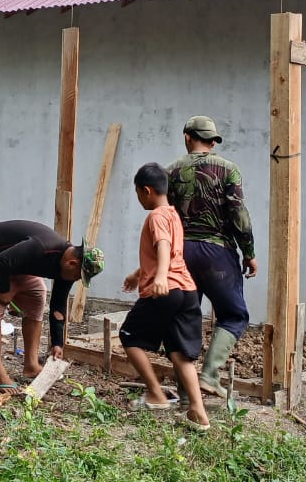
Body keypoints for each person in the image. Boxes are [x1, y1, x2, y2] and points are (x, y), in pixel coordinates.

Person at [167, 115, 256, 398]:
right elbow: (239, 214)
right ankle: (209, 375)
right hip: (217, 253)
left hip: (181, 253)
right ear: (213, 142)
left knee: (184, 317)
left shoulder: (171, 171)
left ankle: (186, 391)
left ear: (187, 137)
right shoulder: (229, 170)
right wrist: (249, 252)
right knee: (233, 315)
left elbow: (164, 215)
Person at [120, 163, 210, 431]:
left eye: (138, 193)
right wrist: (138, 274)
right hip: (187, 290)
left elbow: (163, 245)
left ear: (146, 190)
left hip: (165, 289)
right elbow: (170, 252)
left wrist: (159, 277)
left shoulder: (157, 216)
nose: (139, 199)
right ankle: (198, 411)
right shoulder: (173, 215)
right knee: (179, 352)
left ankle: (156, 394)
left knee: (129, 336)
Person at [0, 220, 104, 389]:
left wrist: (58, 343)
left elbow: (58, 305)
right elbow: (3, 261)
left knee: (37, 295)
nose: (77, 280)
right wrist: (5, 290)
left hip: (17, 262)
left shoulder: (67, 269)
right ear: (72, 263)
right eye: (78, 276)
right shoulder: (43, 247)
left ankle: (31, 365)